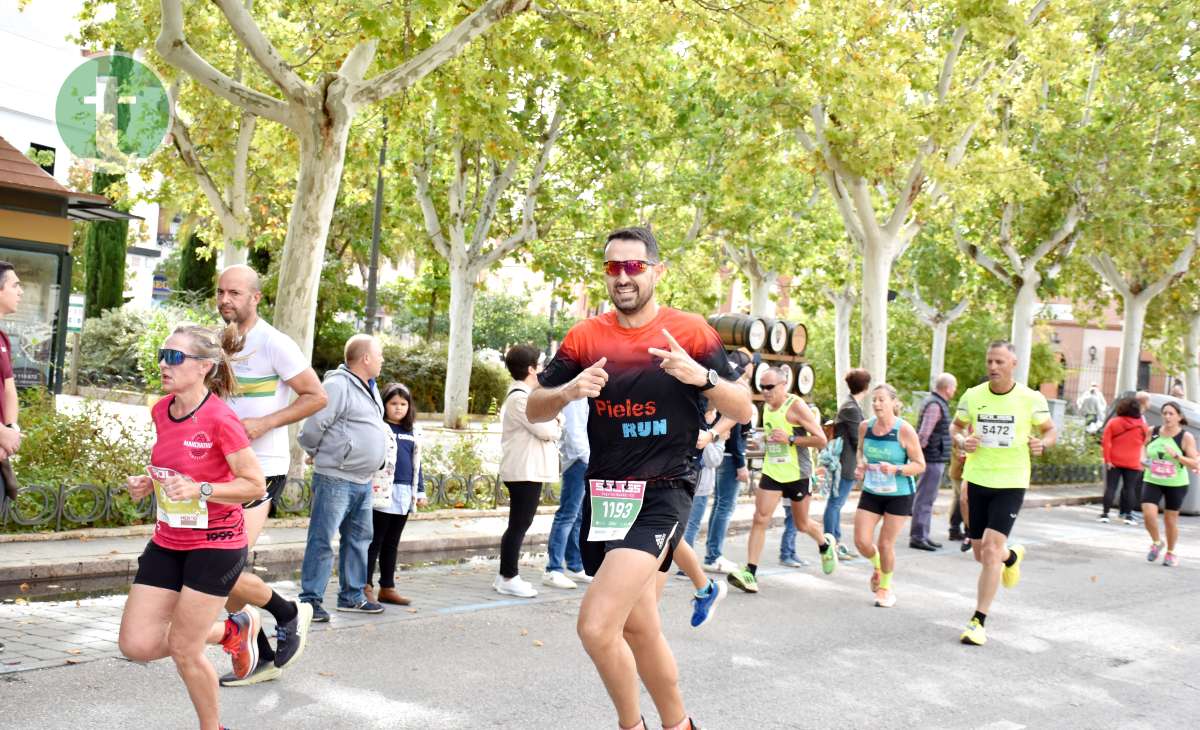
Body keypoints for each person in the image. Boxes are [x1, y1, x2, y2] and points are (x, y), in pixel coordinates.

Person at [527, 226, 752, 730]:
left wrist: (703, 377)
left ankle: (633, 727)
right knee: (639, 626)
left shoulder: (690, 331)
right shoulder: (586, 335)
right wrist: (569, 391)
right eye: (614, 267)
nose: (623, 277)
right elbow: (535, 408)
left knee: (596, 624)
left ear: (656, 271)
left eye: (634, 266)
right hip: (608, 494)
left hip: (665, 490)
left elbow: (743, 406)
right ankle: (680, 725)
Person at [118, 324, 266, 730]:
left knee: (184, 648)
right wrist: (150, 482)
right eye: (162, 355)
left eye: (175, 357)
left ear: (204, 367)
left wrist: (202, 488)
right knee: (136, 644)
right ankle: (231, 630)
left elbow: (254, 484)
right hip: (169, 539)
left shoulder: (221, 418)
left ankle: (212, 727)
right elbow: (177, 468)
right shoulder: (161, 409)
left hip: (215, 544)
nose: (165, 364)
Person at [213, 265, 327, 686]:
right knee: (214, 568)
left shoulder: (275, 343)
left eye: (236, 293)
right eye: (222, 292)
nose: (226, 300)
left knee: (221, 567)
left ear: (255, 298)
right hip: (220, 473)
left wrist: (266, 423)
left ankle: (287, 612)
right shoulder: (217, 341)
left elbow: (316, 396)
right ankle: (260, 651)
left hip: (261, 470)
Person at [951, 341, 1056, 647]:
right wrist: (961, 440)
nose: (993, 367)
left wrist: (1042, 444)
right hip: (977, 478)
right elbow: (955, 426)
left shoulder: (1030, 398)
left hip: (1011, 481)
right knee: (980, 553)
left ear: (1013, 363)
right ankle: (1012, 557)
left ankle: (978, 621)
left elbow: (1050, 430)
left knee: (991, 552)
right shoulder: (973, 396)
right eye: (989, 361)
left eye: (999, 361)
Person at [298, 335, 391, 621]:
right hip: (335, 477)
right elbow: (313, 425)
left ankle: (351, 596)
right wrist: (316, 450)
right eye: (379, 355)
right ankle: (310, 600)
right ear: (365, 358)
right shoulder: (338, 385)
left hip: (362, 479)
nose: (382, 360)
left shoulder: (370, 387)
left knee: (359, 539)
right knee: (322, 540)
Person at [728, 366, 834, 594]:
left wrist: (791, 438)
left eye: (769, 387)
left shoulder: (795, 406)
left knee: (801, 524)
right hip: (773, 471)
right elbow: (773, 436)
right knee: (759, 518)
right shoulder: (766, 407)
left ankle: (825, 544)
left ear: (783, 384)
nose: (765, 392)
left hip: (798, 473)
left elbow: (821, 440)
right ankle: (750, 573)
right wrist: (763, 441)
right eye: (762, 387)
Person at [496, 345, 562, 598]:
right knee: (519, 524)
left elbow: (548, 424)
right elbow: (546, 430)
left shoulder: (525, 396)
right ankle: (508, 576)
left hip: (528, 469)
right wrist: (556, 420)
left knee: (520, 523)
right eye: (541, 364)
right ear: (531, 369)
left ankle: (505, 574)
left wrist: (553, 420)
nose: (544, 369)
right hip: (524, 470)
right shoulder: (520, 398)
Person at [853, 383, 926, 607]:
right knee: (862, 542)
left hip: (899, 493)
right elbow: (859, 451)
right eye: (874, 400)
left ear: (894, 403)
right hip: (872, 491)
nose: (876, 404)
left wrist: (896, 469)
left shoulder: (904, 430)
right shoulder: (865, 426)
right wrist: (861, 466)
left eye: (881, 399)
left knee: (885, 544)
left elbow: (920, 465)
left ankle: (885, 588)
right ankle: (877, 565)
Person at [366, 382, 425, 605]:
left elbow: (417, 464)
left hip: (403, 492)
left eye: (403, 404)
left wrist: (419, 491)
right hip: (382, 491)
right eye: (393, 403)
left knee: (392, 542)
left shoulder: (412, 431)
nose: (399, 408)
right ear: (384, 404)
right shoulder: (379, 428)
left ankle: (387, 587)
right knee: (375, 541)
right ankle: (366, 586)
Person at [701, 351, 753, 573]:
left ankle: (712, 553)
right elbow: (737, 425)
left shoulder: (723, 389)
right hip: (729, 456)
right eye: (750, 364)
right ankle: (713, 554)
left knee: (718, 505)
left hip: (723, 451)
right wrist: (741, 464)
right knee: (724, 506)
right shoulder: (734, 391)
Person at [1141, 402, 1199, 567]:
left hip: (1176, 483)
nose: (1167, 417)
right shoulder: (1152, 431)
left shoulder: (1185, 437)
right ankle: (1157, 542)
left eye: (1171, 414)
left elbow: (1194, 463)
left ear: (1179, 417)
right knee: (1148, 514)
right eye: (1164, 413)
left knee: (1170, 519)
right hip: (1152, 478)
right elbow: (1143, 446)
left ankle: (1171, 552)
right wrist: (1142, 458)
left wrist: (1177, 456)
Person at [543, 397, 593, 589]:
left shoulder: (585, 396)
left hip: (583, 460)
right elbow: (573, 431)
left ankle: (575, 565)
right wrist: (587, 458)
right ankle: (553, 569)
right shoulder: (576, 397)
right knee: (567, 516)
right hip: (578, 461)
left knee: (578, 516)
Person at [824, 368, 871, 561]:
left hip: (846, 462)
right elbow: (856, 439)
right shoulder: (851, 408)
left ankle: (835, 542)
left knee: (837, 503)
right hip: (845, 463)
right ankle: (830, 544)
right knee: (835, 504)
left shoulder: (850, 406)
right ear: (866, 387)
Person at [0, 261, 21, 654]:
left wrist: (11, 430)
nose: (20, 291)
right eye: (15, 285)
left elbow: (9, 387)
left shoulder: (2, 337)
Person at [910, 373, 957, 551]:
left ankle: (923, 535)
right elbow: (923, 434)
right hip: (930, 459)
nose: (954, 390)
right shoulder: (935, 405)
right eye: (954, 387)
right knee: (925, 498)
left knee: (928, 498)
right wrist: (918, 457)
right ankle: (918, 536)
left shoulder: (935, 403)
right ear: (947, 388)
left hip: (933, 457)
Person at [779, 402, 822, 567]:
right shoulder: (799, 433)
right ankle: (786, 553)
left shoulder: (801, 433)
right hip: (797, 477)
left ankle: (791, 552)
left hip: (798, 475)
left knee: (794, 518)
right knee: (794, 519)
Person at [1100, 397, 1148, 525]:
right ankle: (1128, 516)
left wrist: (1107, 459)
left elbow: (1106, 442)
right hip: (1133, 461)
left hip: (1114, 460)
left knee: (1111, 487)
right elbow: (1145, 441)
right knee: (1130, 489)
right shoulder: (1142, 425)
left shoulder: (1113, 422)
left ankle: (1105, 514)